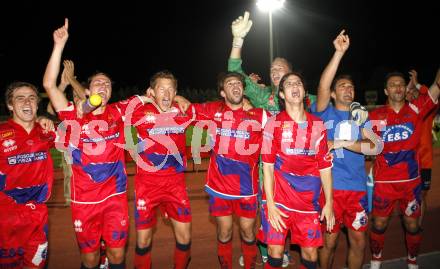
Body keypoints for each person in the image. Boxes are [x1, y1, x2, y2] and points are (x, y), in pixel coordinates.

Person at [43, 18, 144, 269]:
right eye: (98, 83)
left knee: (118, 256)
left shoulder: (119, 112)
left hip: (115, 197)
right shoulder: (72, 114)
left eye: (108, 84)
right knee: (90, 259)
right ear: (87, 90)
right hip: (84, 201)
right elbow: (48, 85)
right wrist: (59, 45)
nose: (104, 86)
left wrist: (179, 99)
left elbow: (152, 96)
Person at [312, 30, 382, 269]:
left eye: (351, 87)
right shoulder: (324, 111)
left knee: (359, 241)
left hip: (356, 189)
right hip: (330, 189)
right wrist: (338, 53)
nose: (348, 89)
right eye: (342, 86)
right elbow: (322, 85)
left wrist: (343, 143)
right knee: (329, 242)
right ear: (333, 93)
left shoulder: (361, 116)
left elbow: (375, 146)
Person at [190, 71, 268, 269]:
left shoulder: (259, 115)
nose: (235, 86)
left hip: (247, 189)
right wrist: (176, 97)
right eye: (229, 83)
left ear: (243, 88)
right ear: (223, 92)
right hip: (219, 188)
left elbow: (287, 122)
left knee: (248, 233)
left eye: (238, 83)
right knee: (224, 233)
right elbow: (184, 109)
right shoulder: (212, 110)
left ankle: (249, 264)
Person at [259, 72, 335, 269]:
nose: (295, 86)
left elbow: (325, 167)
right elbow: (267, 168)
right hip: (280, 199)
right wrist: (271, 205)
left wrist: (329, 203)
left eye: (298, 83)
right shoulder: (272, 124)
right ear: (282, 95)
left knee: (310, 254)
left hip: (308, 200)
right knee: (274, 253)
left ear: (304, 91)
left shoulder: (318, 125)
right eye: (289, 84)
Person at [368, 70, 440, 269]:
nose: (398, 87)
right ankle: (376, 262)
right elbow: (367, 146)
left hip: (411, 183)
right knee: (379, 225)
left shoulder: (416, 109)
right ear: (385, 90)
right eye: (392, 84)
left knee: (413, 225)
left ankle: (412, 262)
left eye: (401, 84)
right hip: (384, 183)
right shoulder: (375, 115)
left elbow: (437, 86)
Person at [129, 70, 194, 269]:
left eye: (170, 89)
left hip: (175, 184)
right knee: (143, 241)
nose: (166, 94)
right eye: (161, 89)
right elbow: (105, 110)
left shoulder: (183, 111)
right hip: (147, 186)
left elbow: (218, 110)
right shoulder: (138, 113)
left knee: (184, 236)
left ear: (175, 92)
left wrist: (184, 100)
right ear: (151, 92)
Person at [0, 82, 56, 269]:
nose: (27, 102)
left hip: (37, 218)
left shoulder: (46, 132)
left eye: (32, 98)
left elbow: (71, 121)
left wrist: (44, 117)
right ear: (10, 105)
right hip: (6, 220)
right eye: (20, 98)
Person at [228, 11, 316, 117]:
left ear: (290, 73)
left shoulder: (307, 99)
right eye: (272, 69)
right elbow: (234, 73)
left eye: (279, 68)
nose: (274, 71)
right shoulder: (262, 95)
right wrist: (238, 39)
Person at [405, 69, 440, 226]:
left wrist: (417, 84)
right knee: (408, 196)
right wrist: (410, 86)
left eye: (414, 92)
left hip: (424, 161)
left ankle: (417, 226)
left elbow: (435, 88)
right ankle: (410, 225)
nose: (411, 93)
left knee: (422, 195)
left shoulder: (427, 110)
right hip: (406, 162)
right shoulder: (401, 113)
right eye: (409, 92)